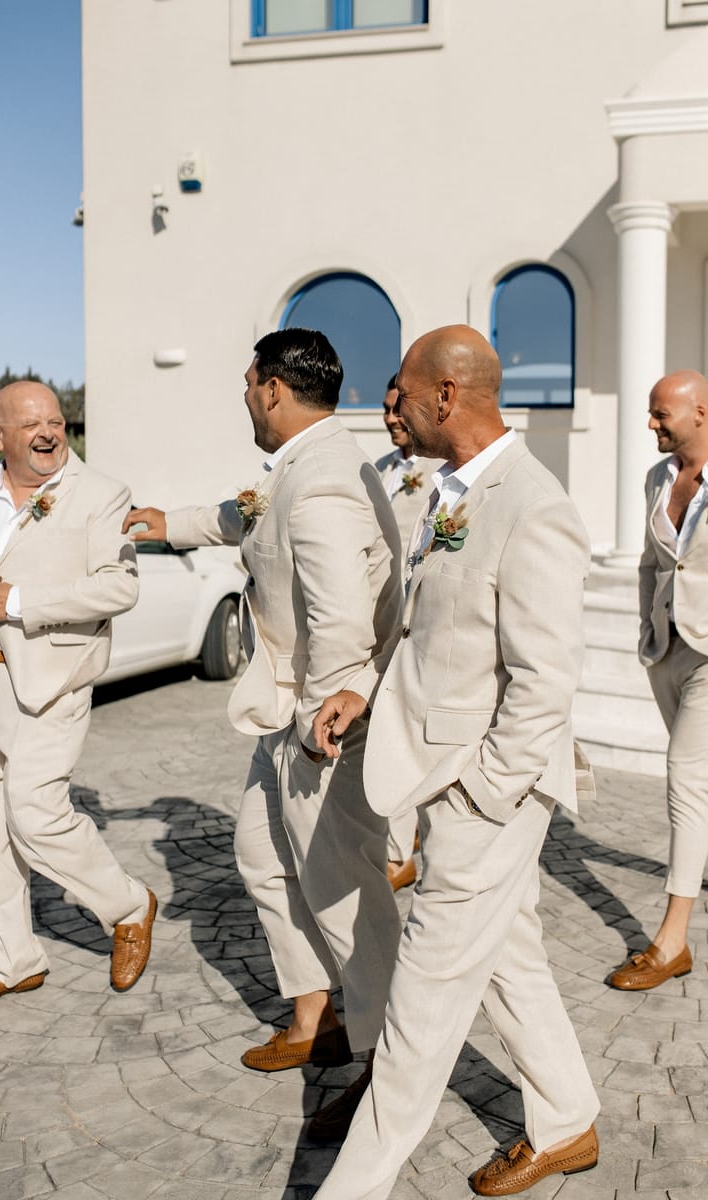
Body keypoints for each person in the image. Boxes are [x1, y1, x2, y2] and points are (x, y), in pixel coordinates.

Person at [311, 325, 600, 1198]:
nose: (388, 402)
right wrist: (367, 689)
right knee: (513, 960)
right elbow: (426, 628)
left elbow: (546, 680)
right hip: (439, 775)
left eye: (400, 387)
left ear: (447, 394)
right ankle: (568, 1119)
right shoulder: (447, 493)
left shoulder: (535, 506)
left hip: (490, 796)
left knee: (419, 1015)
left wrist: (482, 800)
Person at [125, 329, 403, 1137]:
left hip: (321, 720)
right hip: (287, 709)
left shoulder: (318, 484)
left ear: (275, 389)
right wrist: (164, 522)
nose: (245, 396)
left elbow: (345, 621)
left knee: (347, 897)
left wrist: (325, 724)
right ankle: (319, 1017)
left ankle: (386, 1067)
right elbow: (243, 515)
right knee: (257, 851)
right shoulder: (306, 463)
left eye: (249, 384)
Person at [0, 381, 157, 1013]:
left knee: (33, 813)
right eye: (31, 425)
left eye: (56, 421)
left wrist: (20, 604)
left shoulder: (103, 494)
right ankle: (14, 959)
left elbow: (119, 589)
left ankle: (128, 905)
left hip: (49, 685)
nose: (49, 433)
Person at [608, 369, 708, 991]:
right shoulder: (658, 478)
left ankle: (673, 940)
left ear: (700, 412)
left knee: (685, 778)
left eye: (660, 414)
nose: (649, 424)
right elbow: (653, 561)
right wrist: (649, 631)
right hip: (668, 647)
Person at [374, 374, 441, 891]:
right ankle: (396, 845)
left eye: (399, 407)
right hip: (383, 616)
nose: (392, 417)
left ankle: (401, 852)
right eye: (385, 408)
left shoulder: (441, 473)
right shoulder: (378, 470)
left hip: (419, 620)